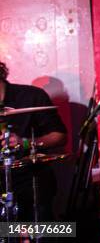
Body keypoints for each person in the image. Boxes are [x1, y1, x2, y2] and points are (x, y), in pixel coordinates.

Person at [0, 60, 67, 222]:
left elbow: (59, 136)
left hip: (30, 182)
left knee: (46, 233)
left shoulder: (31, 97)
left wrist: (25, 142)